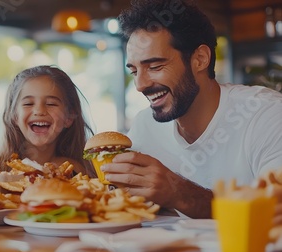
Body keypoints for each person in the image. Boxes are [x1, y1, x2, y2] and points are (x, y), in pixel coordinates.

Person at [101, 0, 282, 220]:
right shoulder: (143, 126)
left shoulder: (266, 114)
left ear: (200, 59)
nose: (140, 85)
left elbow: (272, 216)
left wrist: (180, 192)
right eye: (134, 71)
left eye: (155, 66)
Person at [0, 65, 94, 176]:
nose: (39, 111)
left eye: (51, 104)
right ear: (14, 116)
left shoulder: (79, 173)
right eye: (28, 104)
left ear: (69, 117)